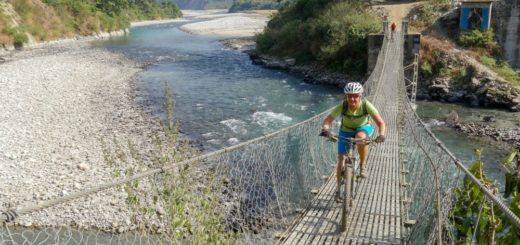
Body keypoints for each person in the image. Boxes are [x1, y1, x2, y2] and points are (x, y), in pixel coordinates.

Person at [320, 82, 386, 202]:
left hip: (363, 128)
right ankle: (338, 189)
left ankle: (362, 165)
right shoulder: (343, 106)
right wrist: (325, 130)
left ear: (360, 96)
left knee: (360, 137)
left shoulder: (366, 105)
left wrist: (381, 135)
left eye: (355, 96)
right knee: (340, 159)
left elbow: (381, 123)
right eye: (349, 96)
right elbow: (327, 121)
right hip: (346, 130)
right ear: (346, 96)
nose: (352, 98)